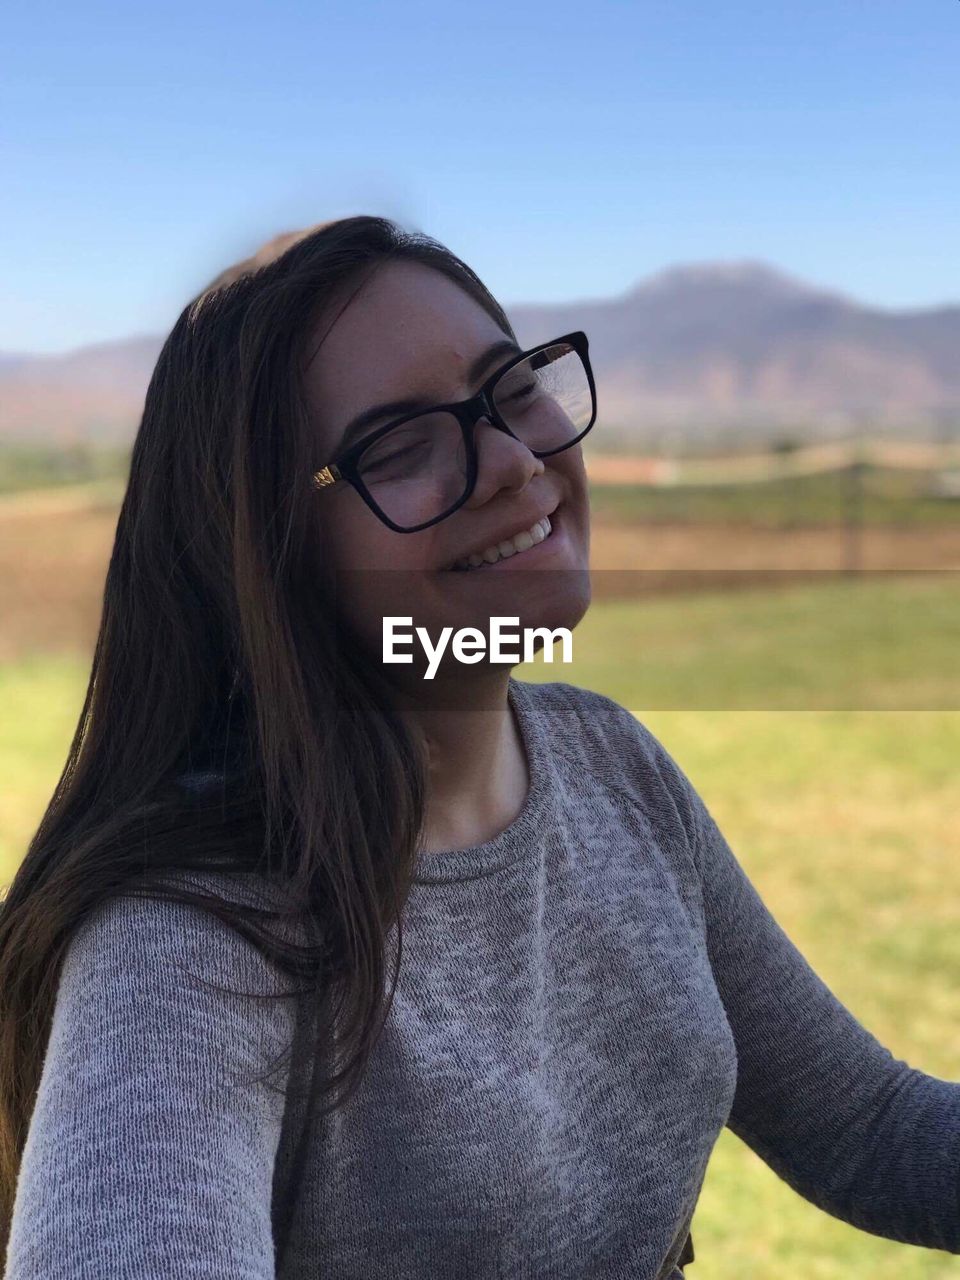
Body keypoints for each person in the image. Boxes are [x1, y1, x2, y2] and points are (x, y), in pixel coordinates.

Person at [1, 215, 958, 1279]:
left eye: (514, 391)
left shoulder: (615, 765)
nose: (510, 461)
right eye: (403, 445)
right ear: (264, 550)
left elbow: (867, 1125)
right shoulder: (192, 929)